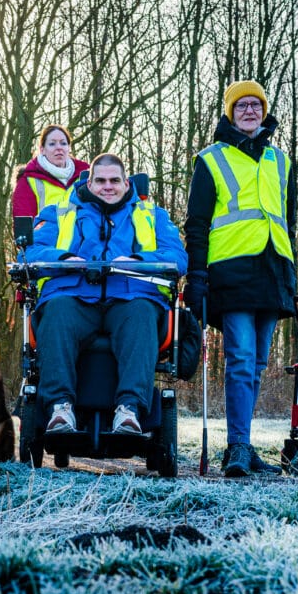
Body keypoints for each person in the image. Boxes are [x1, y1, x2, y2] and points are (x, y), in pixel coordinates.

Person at [184, 80, 297, 477]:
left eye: (256, 105)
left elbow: (289, 221)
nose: (250, 111)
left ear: (264, 112)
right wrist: (196, 276)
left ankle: (244, 447)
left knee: (259, 363)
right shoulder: (211, 159)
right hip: (231, 271)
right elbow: (195, 224)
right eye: (242, 105)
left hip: (272, 269)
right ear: (230, 112)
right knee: (241, 359)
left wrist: (291, 271)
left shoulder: (281, 161)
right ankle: (235, 447)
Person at [29, 153, 187, 434]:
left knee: (140, 313)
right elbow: (31, 251)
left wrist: (139, 261)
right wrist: (64, 257)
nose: (108, 186)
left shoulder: (152, 215)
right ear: (89, 183)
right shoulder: (58, 213)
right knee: (56, 311)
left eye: (115, 180)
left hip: (131, 297)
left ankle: (129, 410)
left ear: (127, 184)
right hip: (74, 295)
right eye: (100, 180)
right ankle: (59, 408)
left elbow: (177, 257)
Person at [11, 124, 89, 222]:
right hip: (45, 236)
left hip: (85, 237)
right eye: (52, 144)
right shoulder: (27, 181)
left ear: (69, 148)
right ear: (42, 150)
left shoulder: (87, 176)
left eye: (63, 143)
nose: (59, 147)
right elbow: (24, 227)